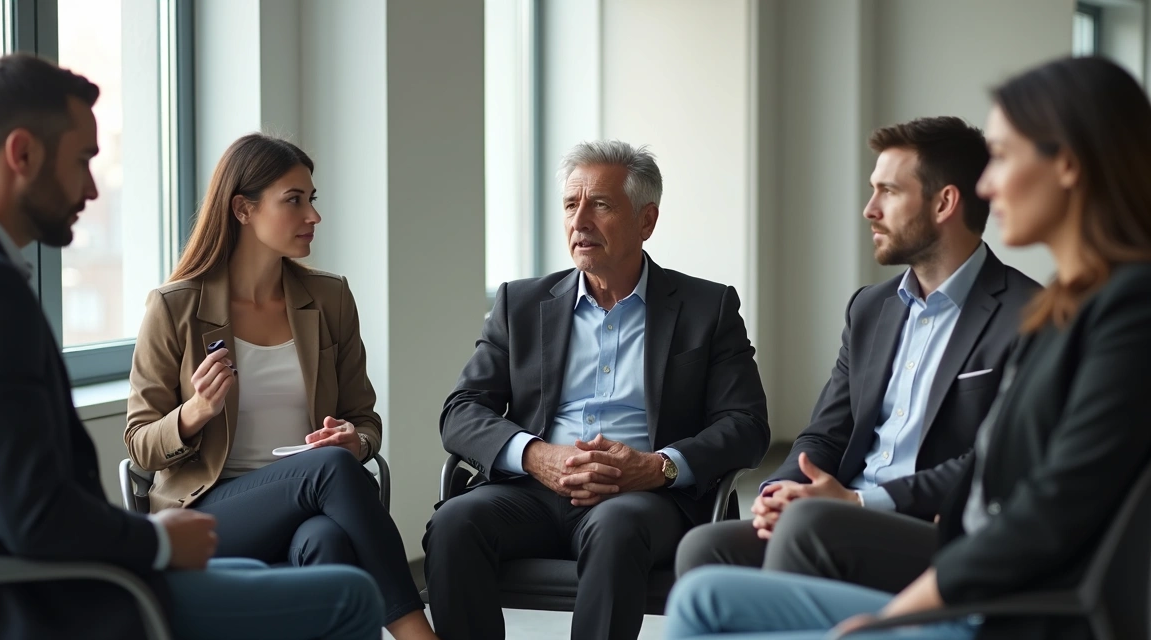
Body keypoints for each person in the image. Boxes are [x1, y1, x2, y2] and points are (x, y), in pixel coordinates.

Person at [665, 55, 1151, 640]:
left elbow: (1045, 509)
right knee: (701, 591)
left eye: (1001, 156)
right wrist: (784, 489)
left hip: (1002, 605)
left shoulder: (1117, 313)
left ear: (1067, 163)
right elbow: (833, 432)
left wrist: (894, 610)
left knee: (774, 557)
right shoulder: (1068, 308)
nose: (987, 185)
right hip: (959, 562)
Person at [0, 53, 382, 640]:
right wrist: (156, 537)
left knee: (315, 544)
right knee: (351, 597)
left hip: (46, 571)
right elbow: (32, 512)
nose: (93, 188)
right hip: (43, 598)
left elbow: (14, 491)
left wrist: (356, 437)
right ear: (22, 154)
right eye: (83, 161)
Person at [675, 117, 1041, 594]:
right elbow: (827, 433)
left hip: (939, 530)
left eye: (888, 191)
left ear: (945, 202)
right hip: (838, 512)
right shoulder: (871, 308)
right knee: (704, 549)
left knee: (810, 531)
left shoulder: (1028, 315)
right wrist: (778, 491)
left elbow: (991, 462)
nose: (870, 210)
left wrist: (862, 504)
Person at [422, 140, 771, 640]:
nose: (579, 220)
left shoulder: (705, 307)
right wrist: (536, 455)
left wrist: (657, 466)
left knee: (617, 530)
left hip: (642, 495)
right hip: (532, 490)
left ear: (646, 221)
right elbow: (461, 410)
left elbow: (747, 426)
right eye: (570, 205)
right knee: (456, 524)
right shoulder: (520, 304)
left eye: (600, 205)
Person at [124, 133, 435, 639]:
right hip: (211, 510)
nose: (312, 215)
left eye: (312, 199)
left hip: (315, 501)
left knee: (328, 542)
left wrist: (357, 441)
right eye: (294, 200)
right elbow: (139, 442)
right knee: (331, 469)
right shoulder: (174, 307)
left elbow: (365, 417)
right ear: (242, 209)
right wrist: (195, 411)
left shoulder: (328, 298)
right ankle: (418, 635)